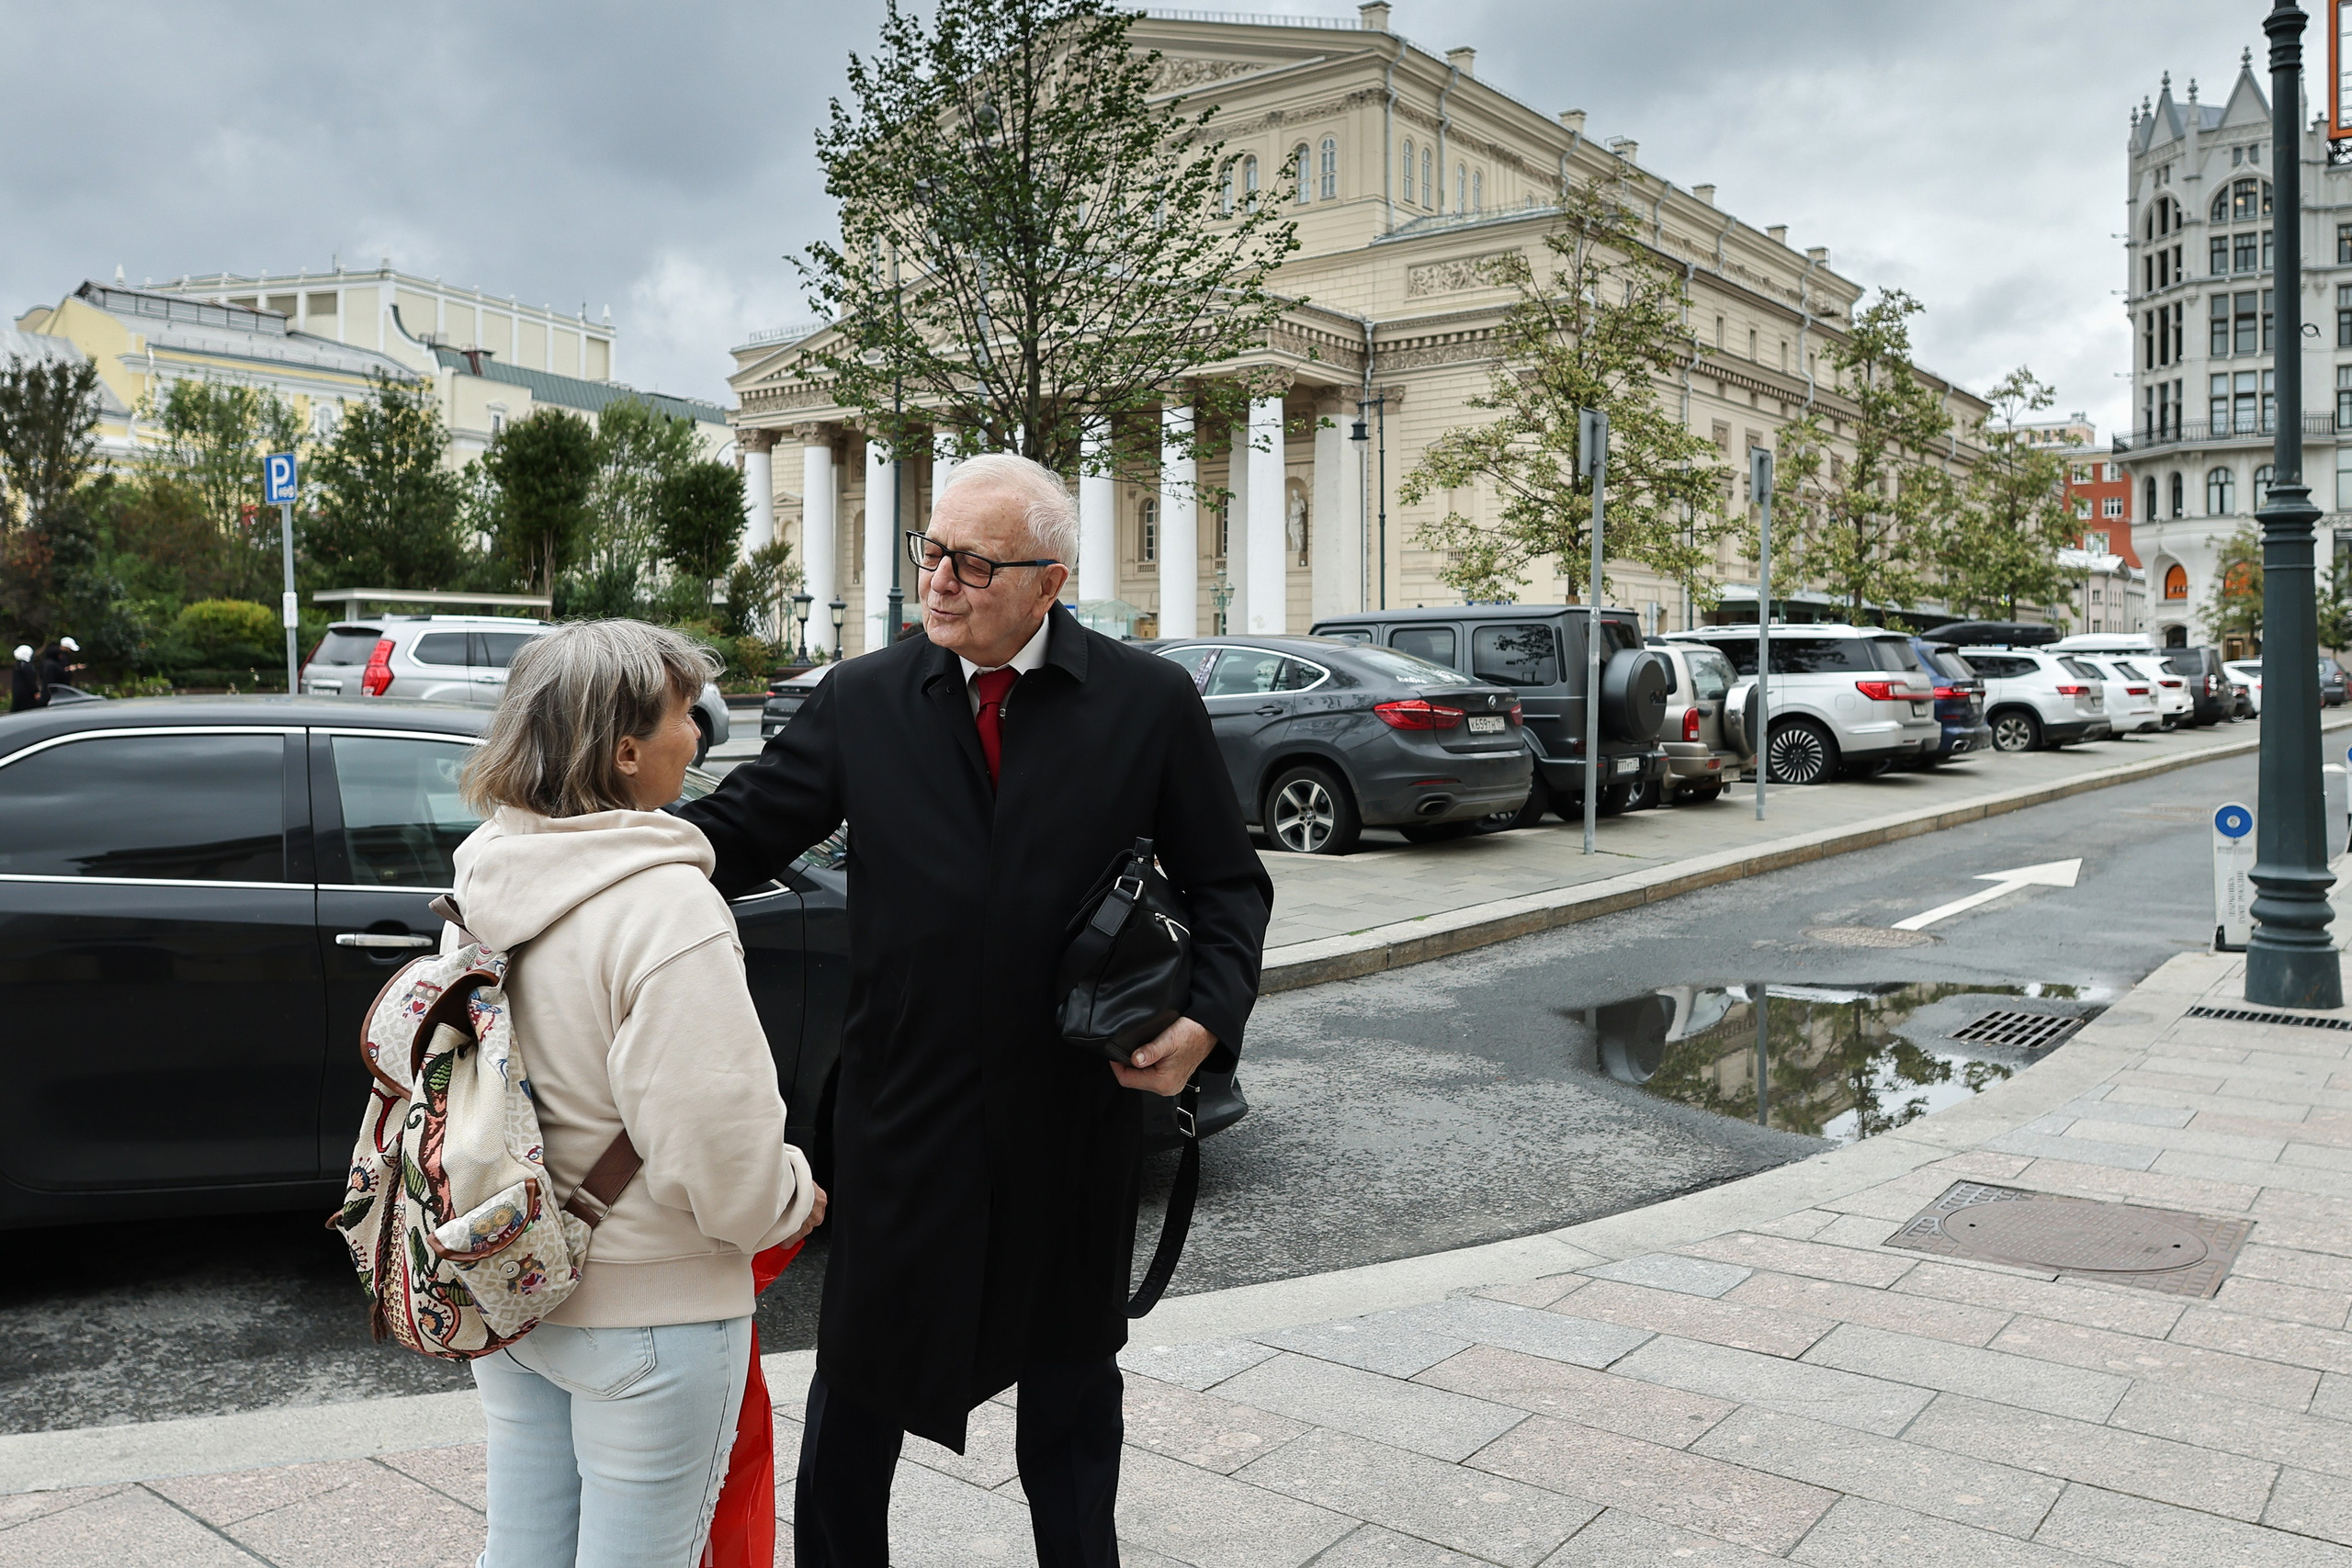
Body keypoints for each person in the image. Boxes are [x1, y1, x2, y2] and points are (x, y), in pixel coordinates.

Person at [681, 451, 1272, 1568]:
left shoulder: (1146, 703)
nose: (938, 581)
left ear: (1050, 584)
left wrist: (1206, 1021)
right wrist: (587, 856)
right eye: (932, 551)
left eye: (973, 563)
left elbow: (1228, 886)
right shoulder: (864, 697)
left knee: (1071, 1396)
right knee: (857, 1393)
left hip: (1073, 1113)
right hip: (903, 1112)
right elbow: (736, 831)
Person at [450, 618, 826, 1568]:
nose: (699, 735)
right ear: (625, 751)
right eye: (685, 715)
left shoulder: (486, 869)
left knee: (524, 1552)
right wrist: (792, 1195)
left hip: (516, 1282)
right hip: (653, 1313)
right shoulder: (666, 906)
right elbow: (719, 1152)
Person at [9, 646, 37, 713]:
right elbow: (31, 680)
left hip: (18, 693)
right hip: (27, 694)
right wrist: (36, 691)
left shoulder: (18, 665)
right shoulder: (26, 666)